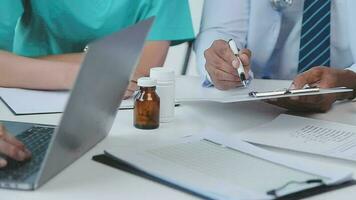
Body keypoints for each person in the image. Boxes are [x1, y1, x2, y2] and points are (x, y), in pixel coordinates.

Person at [0, 0, 194, 167]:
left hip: (118, 112)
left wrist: (24, 65)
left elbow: (141, 70)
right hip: (24, 103)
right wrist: (81, 74)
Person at [0, 0, 194, 98]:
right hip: (25, 94)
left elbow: (141, 70)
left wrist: (20, 66)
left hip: (116, 103)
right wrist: (81, 74)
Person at [195, 0, 356, 112]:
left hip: (345, 109)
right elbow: (220, 29)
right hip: (256, 105)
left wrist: (348, 82)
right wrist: (223, 63)